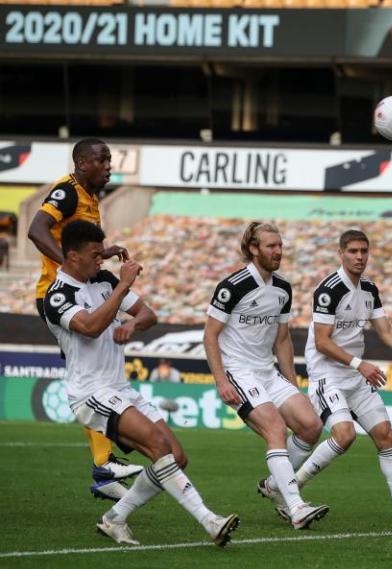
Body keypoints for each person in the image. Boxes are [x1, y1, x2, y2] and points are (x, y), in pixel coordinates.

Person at [43, 220, 238, 546]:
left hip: (120, 388)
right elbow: (89, 326)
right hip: (90, 393)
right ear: (73, 256)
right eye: (94, 255)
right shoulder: (58, 296)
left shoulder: (102, 278)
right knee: (159, 448)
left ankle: (114, 518)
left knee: (176, 456)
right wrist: (123, 286)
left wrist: (132, 323)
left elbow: (149, 314)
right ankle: (210, 520)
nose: (100, 261)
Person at [287, 229, 392, 526]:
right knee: (344, 435)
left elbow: (385, 331)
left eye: (364, 251)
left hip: (355, 377)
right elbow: (322, 341)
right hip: (327, 375)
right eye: (353, 251)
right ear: (341, 253)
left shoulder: (369, 289)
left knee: (386, 436)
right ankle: (290, 489)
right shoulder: (328, 290)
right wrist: (360, 363)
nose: (359, 257)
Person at [27, 138, 141, 502]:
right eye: (101, 160)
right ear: (81, 163)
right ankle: (106, 463)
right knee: (94, 381)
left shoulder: (91, 198)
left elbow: (73, 241)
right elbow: (36, 229)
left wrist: (100, 253)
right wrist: (68, 265)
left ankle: (105, 466)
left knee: (97, 378)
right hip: (58, 296)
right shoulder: (68, 191)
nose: (108, 166)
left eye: (109, 160)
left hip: (74, 294)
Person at [203, 222, 329, 530]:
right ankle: (295, 506)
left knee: (311, 426)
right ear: (253, 249)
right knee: (275, 429)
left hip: (267, 371)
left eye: (280, 245)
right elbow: (210, 335)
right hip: (238, 371)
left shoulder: (283, 288)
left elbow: (282, 339)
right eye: (271, 246)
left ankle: (274, 486)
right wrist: (221, 380)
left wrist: (292, 382)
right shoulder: (232, 286)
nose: (278, 251)